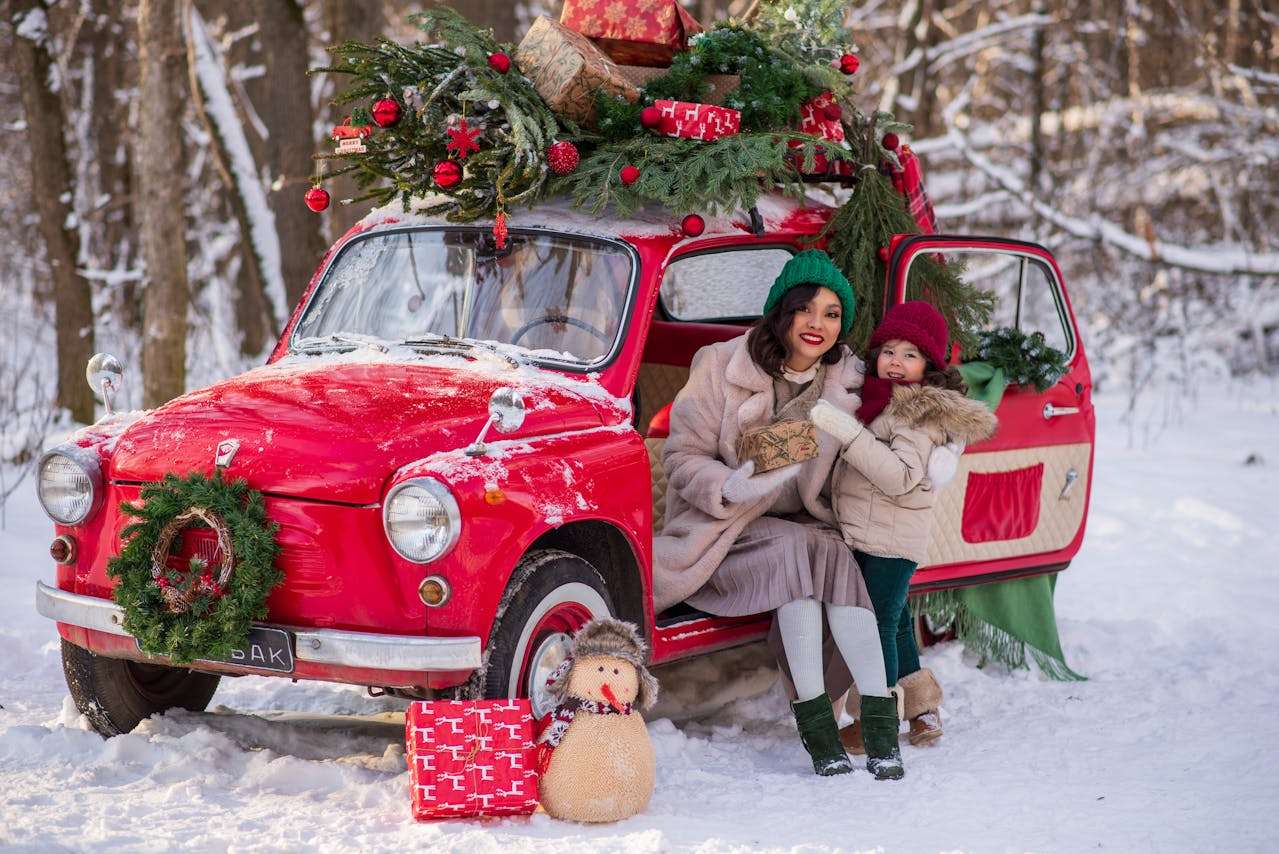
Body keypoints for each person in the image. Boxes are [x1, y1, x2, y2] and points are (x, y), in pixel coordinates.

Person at [652, 250, 903, 779]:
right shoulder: (721, 363)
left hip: (807, 531)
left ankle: (879, 732)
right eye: (806, 309)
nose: (817, 324)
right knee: (801, 553)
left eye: (832, 314)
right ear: (781, 311)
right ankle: (818, 735)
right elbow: (680, 457)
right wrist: (729, 483)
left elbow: (915, 403)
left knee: (824, 552)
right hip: (725, 533)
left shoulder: (851, 383)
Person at [809, 301, 997, 749]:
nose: (895, 361)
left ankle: (878, 719)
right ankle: (922, 709)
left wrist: (850, 434)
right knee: (892, 623)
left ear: (928, 365)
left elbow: (899, 477)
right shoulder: (883, 398)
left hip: (891, 540)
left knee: (874, 625)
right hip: (877, 532)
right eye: (888, 350)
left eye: (910, 354)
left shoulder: (916, 412)